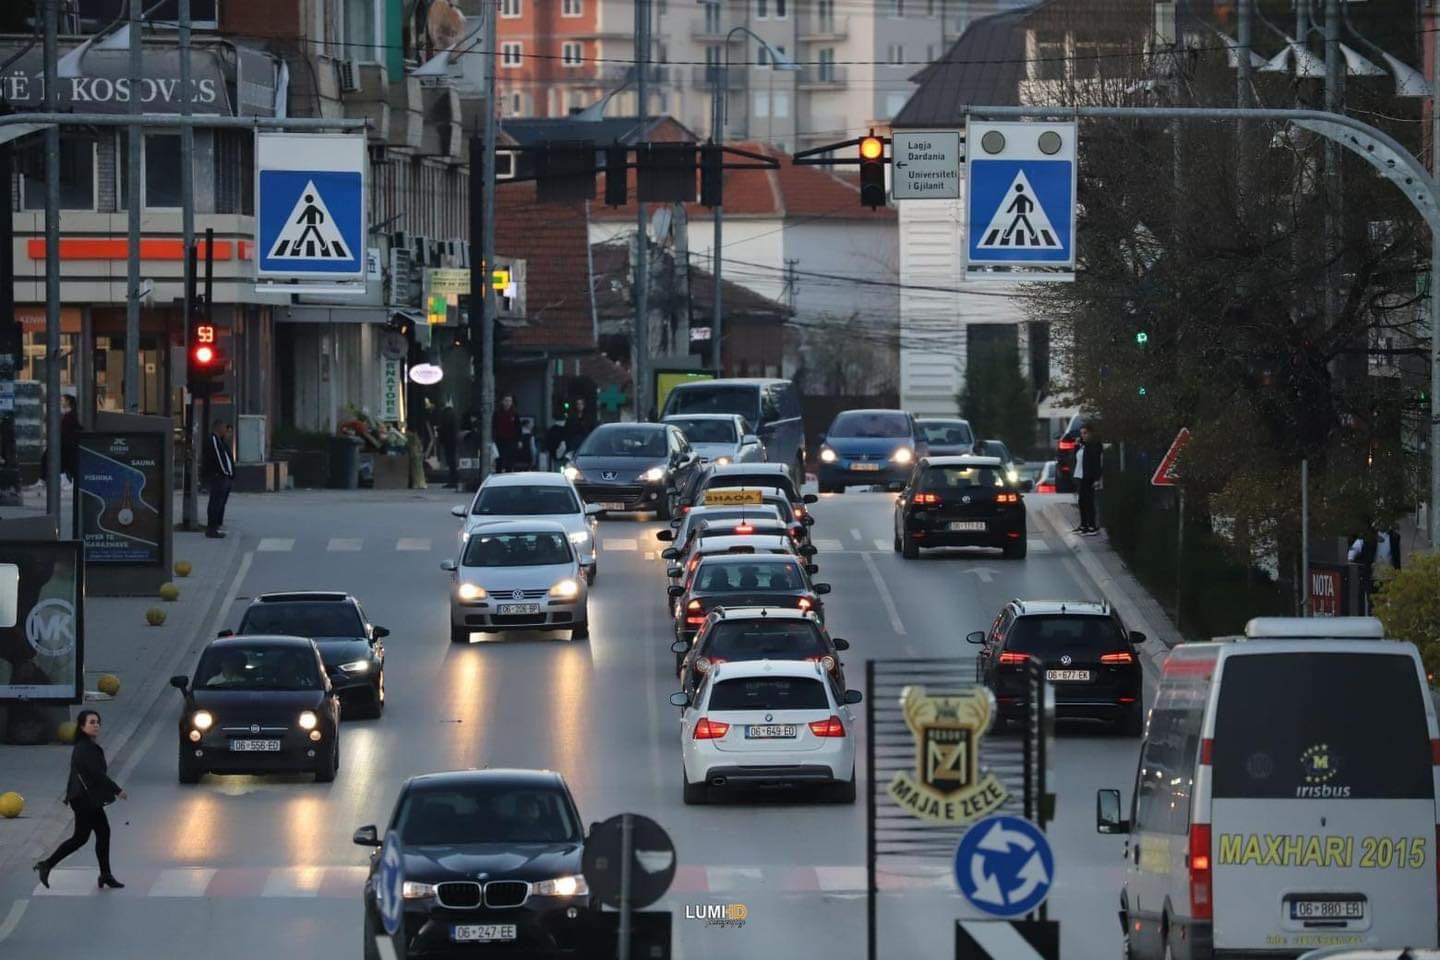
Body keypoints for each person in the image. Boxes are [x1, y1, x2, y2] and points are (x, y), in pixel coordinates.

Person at [34, 709, 127, 890]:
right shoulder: (86, 748)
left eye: (98, 722)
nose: (96, 725)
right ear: (82, 726)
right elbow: (97, 774)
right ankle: (47, 864)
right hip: (85, 799)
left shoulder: (85, 745)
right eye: (91, 722)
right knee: (82, 837)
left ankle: (105, 875)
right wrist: (118, 790)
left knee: (98, 834)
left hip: (84, 798)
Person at [202, 420, 234, 539]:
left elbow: (226, 458)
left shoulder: (221, 441)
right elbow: (219, 458)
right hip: (218, 476)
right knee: (215, 502)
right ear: (219, 428)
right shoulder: (213, 440)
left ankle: (216, 526)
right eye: (225, 429)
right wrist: (224, 472)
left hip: (223, 476)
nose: (226, 432)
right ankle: (212, 528)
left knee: (220, 502)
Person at [1072, 423, 1102, 536]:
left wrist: (1096, 479)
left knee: (1089, 502)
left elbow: (1096, 463)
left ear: (1091, 433)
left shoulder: (1094, 445)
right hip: (1080, 476)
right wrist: (1076, 445)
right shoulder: (1082, 446)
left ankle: (1092, 526)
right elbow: (1076, 458)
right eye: (1081, 433)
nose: (1083, 435)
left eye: (1085, 433)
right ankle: (1083, 525)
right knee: (1082, 502)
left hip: (1088, 477)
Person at [493, 394, 521, 472]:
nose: (508, 403)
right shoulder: (497, 413)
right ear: (502, 402)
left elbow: (518, 428)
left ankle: (508, 473)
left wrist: (519, 440)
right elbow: (494, 426)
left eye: (510, 401)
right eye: (506, 401)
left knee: (510, 461)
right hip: (500, 440)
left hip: (511, 440)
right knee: (499, 459)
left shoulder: (514, 414)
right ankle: (498, 474)